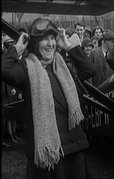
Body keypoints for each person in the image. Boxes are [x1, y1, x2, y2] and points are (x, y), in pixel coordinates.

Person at [2, 17, 96, 179]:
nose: (51, 43)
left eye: (53, 38)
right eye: (45, 39)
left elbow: (89, 69)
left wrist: (69, 47)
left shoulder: (63, 68)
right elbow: (4, 69)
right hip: (48, 155)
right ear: (35, 43)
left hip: (73, 148)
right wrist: (16, 48)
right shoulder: (26, 69)